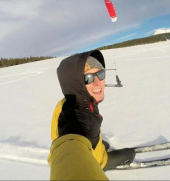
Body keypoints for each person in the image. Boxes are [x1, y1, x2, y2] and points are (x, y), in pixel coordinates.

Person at [48, 50, 135, 180]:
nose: (97, 82)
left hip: (93, 147)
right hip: (97, 162)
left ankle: (98, 144)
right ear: (76, 83)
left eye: (100, 74)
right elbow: (69, 153)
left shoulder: (71, 100)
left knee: (101, 141)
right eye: (88, 78)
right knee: (130, 153)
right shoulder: (77, 119)